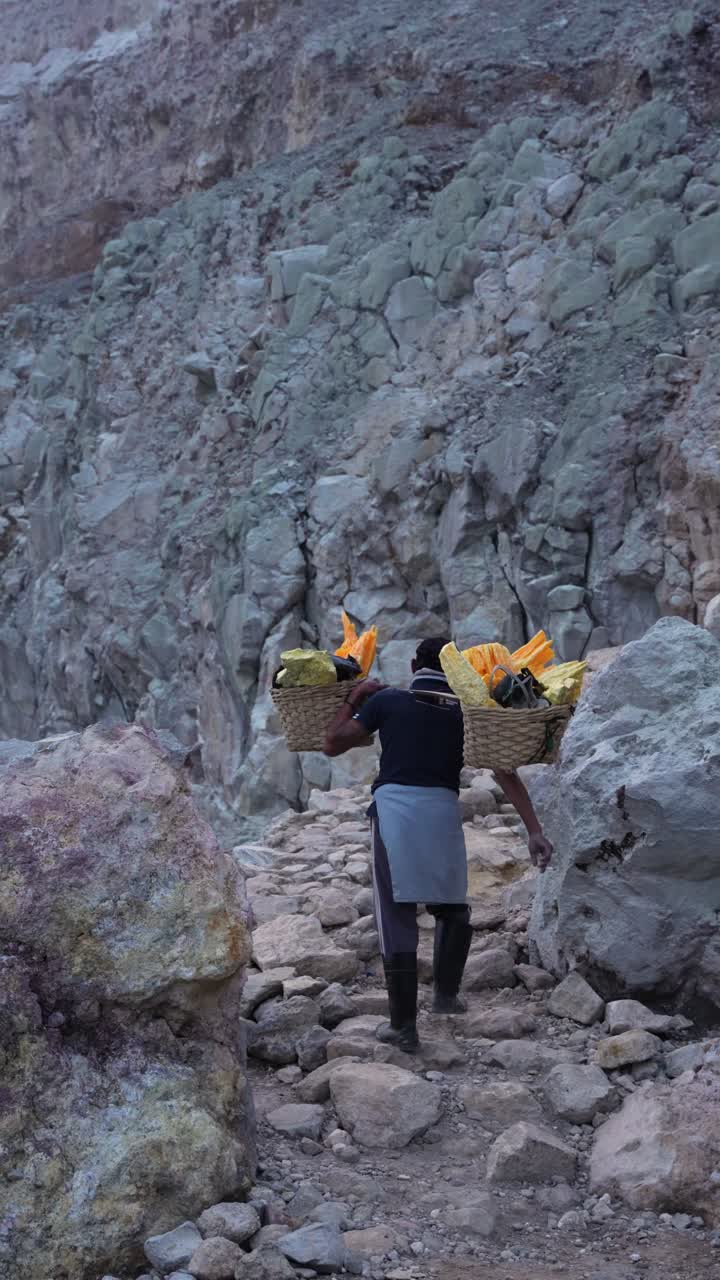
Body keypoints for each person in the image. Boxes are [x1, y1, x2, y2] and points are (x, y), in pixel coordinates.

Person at [324, 636, 553, 1053]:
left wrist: (354, 698)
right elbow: (507, 774)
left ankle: (404, 1028)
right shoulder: (470, 713)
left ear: (414, 665)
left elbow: (333, 742)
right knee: (451, 905)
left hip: (394, 812)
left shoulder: (387, 701)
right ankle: (446, 997)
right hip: (443, 811)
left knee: (396, 915)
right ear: (457, 672)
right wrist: (534, 830)